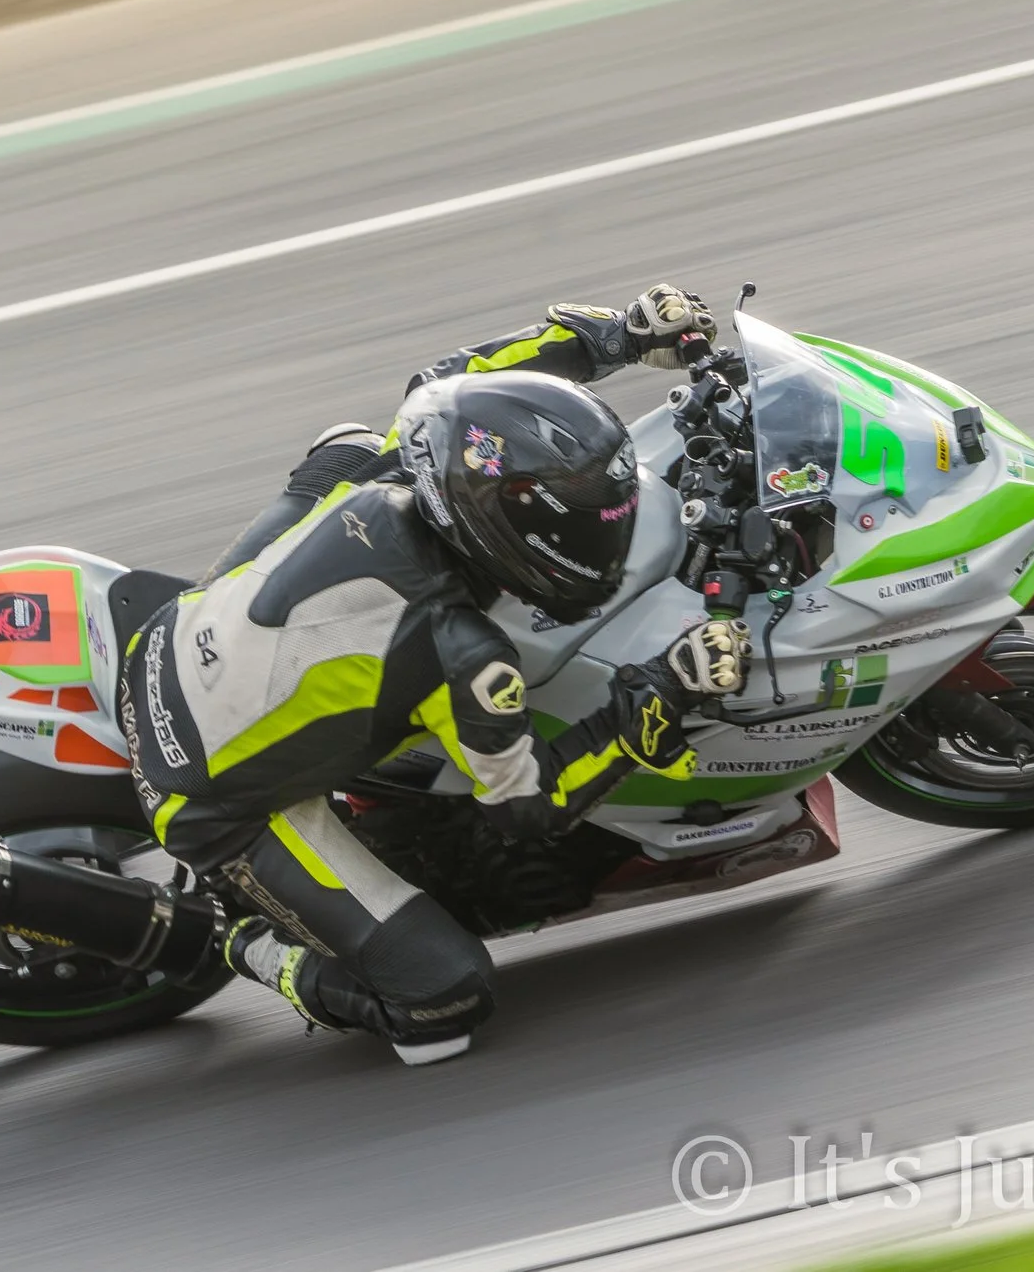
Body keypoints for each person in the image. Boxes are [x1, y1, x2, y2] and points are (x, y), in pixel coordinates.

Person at [113, 284, 751, 1064]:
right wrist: (662, 690)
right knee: (444, 1001)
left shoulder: (416, 455)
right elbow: (529, 807)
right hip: (209, 798)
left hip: (168, 638)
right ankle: (240, 941)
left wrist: (623, 334)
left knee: (347, 445)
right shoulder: (465, 656)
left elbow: (468, 380)